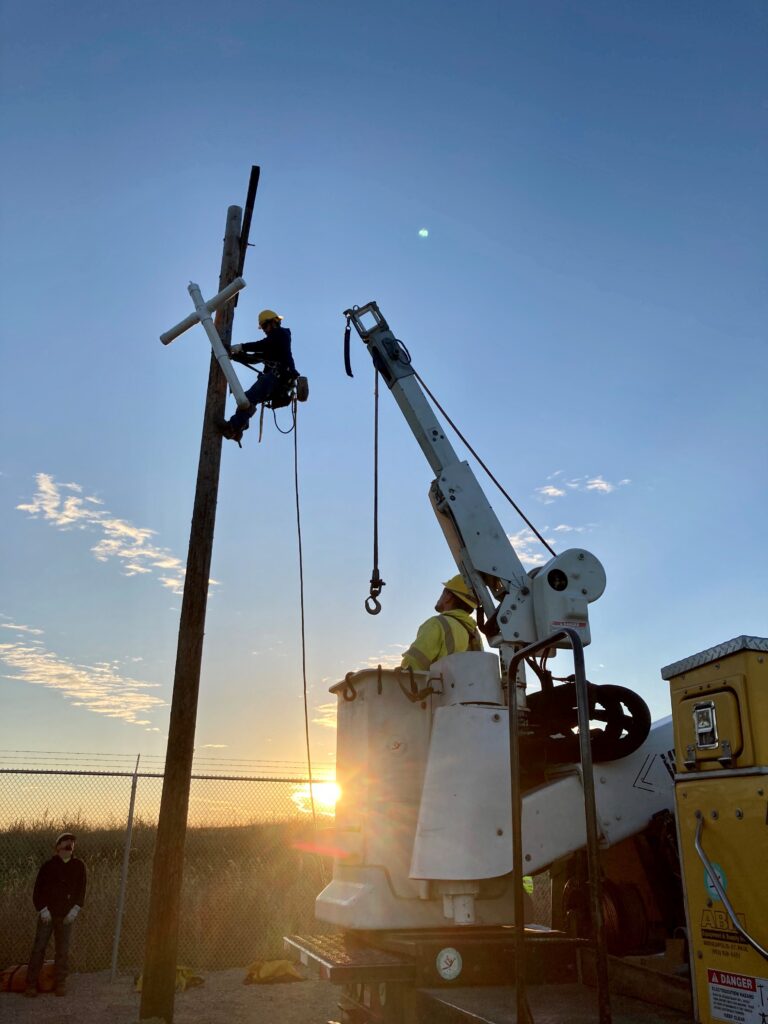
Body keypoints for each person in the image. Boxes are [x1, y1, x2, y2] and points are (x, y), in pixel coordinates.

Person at [217, 308, 299, 443]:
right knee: (246, 400)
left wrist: (242, 347)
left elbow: (262, 345)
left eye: (265, 326)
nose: (264, 330)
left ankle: (233, 427)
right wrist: (234, 354)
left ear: (273, 322)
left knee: (248, 398)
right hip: (276, 382)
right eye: (262, 328)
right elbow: (256, 358)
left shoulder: (281, 334)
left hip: (279, 378)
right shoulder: (273, 344)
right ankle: (237, 430)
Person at [25, 832, 86, 998]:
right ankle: (30, 984)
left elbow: (81, 891)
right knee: (39, 948)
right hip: (48, 915)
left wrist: (75, 909)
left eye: (72, 842)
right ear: (57, 847)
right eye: (65, 842)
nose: (69, 844)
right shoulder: (48, 866)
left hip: (66, 916)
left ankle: (60, 983)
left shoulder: (79, 866)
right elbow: (38, 890)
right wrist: (42, 909)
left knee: (63, 950)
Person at [401, 574, 483, 671]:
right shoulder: (474, 633)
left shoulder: (437, 623)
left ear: (448, 597)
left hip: (436, 685)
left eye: (443, 592)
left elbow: (413, 663)